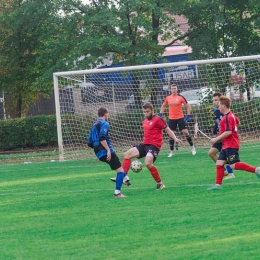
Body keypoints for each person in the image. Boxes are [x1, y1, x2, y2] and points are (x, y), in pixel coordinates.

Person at [118, 102, 182, 190]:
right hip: (144, 145)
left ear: (152, 110)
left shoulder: (158, 119)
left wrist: (175, 138)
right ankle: (124, 178)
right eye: (144, 112)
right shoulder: (144, 121)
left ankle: (160, 183)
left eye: (147, 111)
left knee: (148, 163)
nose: (146, 113)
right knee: (127, 154)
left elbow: (167, 130)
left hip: (154, 146)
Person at [207, 96, 260, 190]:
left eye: (219, 105)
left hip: (231, 144)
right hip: (226, 144)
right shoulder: (231, 115)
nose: (218, 107)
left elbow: (229, 132)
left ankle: (256, 170)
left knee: (233, 165)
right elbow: (237, 123)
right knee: (219, 163)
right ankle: (218, 185)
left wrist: (216, 139)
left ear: (223, 106)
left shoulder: (227, 117)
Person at [87, 107, 128, 198]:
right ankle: (117, 193)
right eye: (108, 114)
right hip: (106, 151)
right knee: (120, 171)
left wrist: (97, 148)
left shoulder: (94, 125)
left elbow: (89, 142)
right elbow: (102, 137)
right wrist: (108, 150)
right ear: (105, 114)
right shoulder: (104, 123)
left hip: (98, 153)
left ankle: (126, 180)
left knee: (119, 168)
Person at [159, 83, 196, 157]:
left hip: (180, 118)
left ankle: (192, 147)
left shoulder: (181, 97)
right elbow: (163, 106)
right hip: (171, 119)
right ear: (170, 89)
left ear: (177, 89)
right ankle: (171, 151)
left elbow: (188, 106)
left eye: (175, 88)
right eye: (172, 89)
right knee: (171, 134)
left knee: (185, 132)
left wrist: (188, 115)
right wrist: (160, 114)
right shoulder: (168, 98)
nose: (173, 90)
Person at [208, 92, 234, 180]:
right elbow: (217, 123)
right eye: (213, 100)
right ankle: (224, 170)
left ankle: (230, 172)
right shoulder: (216, 111)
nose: (214, 102)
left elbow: (232, 122)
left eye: (216, 100)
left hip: (224, 137)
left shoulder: (225, 112)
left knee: (225, 156)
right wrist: (214, 132)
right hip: (219, 137)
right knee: (211, 153)